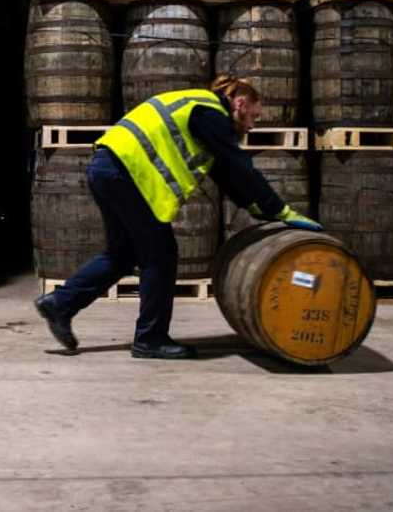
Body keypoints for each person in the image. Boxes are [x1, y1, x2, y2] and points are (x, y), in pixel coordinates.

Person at [34, 75, 322, 359]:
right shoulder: (210, 111)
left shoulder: (200, 111)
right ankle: (150, 338)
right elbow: (238, 165)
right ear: (240, 102)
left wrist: (257, 207)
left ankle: (60, 303)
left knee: (122, 254)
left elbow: (226, 173)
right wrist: (279, 209)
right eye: (253, 116)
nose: (252, 124)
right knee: (160, 255)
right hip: (127, 173)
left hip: (107, 168)